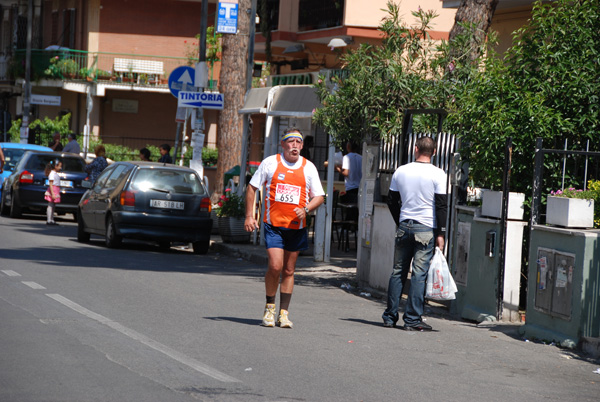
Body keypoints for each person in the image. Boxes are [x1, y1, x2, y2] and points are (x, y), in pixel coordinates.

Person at [245, 127, 325, 329]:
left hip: (296, 227)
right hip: (273, 225)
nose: (295, 146)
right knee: (275, 266)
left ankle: (284, 313)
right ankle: (269, 307)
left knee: (289, 269)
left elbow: (320, 197)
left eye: (298, 142)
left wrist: (306, 208)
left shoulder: (309, 167)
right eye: (291, 142)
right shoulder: (270, 163)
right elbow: (252, 187)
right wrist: (249, 216)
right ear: (283, 144)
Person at [382, 136, 448, 331]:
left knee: (398, 272)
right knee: (419, 274)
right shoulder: (438, 174)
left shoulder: (401, 171)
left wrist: (400, 221)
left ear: (415, 149)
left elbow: (391, 200)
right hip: (426, 228)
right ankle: (412, 319)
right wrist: (441, 233)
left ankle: (390, 316)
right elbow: (441, 206)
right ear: (434, 152)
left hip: (404, 225)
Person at [336, 141, 362, 205]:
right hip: (359, 187)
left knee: (350, 211)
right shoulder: (361, 157)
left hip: (351, 187)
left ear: (348, 147)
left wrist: (338, 169)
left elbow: (346, 173)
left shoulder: (346, 157)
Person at [44, 159, 62, 225]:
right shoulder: (52, 174)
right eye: (59, 166)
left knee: (53, 205)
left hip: (56, 189)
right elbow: (51, 184)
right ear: (55, 166)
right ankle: (49, 220)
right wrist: (52, 193)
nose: (60, 168)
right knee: (50, 205)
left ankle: (52, 219)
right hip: (53, 190)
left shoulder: (55, 173)